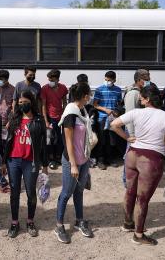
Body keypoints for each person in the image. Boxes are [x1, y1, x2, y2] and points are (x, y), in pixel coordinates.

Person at [110, 86, 165, 246]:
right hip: (151, 159)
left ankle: (128, 223)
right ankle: (139, 235)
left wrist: (127, 138)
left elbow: (114, 124)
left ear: (148, 99)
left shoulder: (136, 112)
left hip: (132, 155)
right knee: (142, 199)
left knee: (129, 191)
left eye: (141, 97)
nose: (139, 99)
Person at [1, 90, 48, 238]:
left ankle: (30, 221)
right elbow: (7, 142)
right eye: (20, 103)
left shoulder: (39, 120)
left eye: (25, 102)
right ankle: (14, 222)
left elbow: (43, 145)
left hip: (30, 162)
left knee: (30, 193)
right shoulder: (14, 118)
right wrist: (3, 162)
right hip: (13, 161)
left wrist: (45, 165)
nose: (22, 105)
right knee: (14, 193)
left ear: (31, 102)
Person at [54, 83, 94, 244]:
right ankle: (59, 226)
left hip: (83, 159)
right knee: (66, 193)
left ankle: (79, 221)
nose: (90, 95)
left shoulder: (82, 110)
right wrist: (73, 164)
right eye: (89, 93)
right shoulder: (70, 113)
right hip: (72, 160)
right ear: (85, 96)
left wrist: (84, 161)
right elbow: (68, 142)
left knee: (79, 192)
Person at [121, 69, 150, 186]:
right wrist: (131, 134)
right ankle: (126, 180)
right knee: (129, 155)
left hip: (139, 130)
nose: (148, 81)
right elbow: (130, 115)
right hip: (133, 131)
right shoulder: (133, 94)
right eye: (146, 79)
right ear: (139, 80)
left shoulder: (141, 92)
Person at [93, 71, 123, 169]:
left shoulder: (118, 90)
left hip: (113, 119)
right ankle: (101, 160)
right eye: (106, 80)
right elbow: (95, 104)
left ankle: (110, 158)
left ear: (114, 80)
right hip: (102, 118)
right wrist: (105, 110)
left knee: (112, 139)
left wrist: (117, 111)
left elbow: (120, 104)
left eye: (109, 80)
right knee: (102, 139)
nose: (107, 82)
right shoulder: (99, 90)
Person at [41, 69, 68, 170]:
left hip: (60, 117)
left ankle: (58, 157)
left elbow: (64, 102)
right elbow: (43, 105)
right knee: (49, 138)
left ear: (57, 79)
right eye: (49, 79)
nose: (50, 81)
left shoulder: (63, 88)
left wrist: (65, 115)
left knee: (60, 138)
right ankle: (50, 158)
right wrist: (46, 120)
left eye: (52, 79)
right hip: (49, 117)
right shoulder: (44, 88)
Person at [0, 69, 15, 143]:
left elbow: (14, 107)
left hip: (7, 122)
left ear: (6, 79)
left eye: (1, 79)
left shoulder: (13, 89)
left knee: (7, 143)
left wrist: (9, 121)